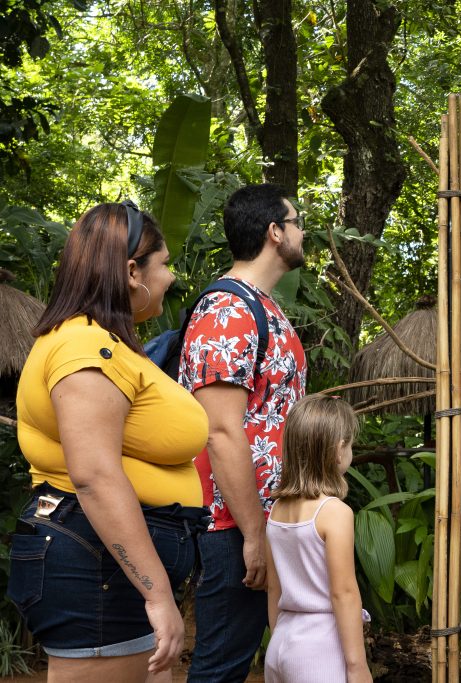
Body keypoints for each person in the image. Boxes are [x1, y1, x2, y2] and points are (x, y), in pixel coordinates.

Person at [9, 201, 208, 681]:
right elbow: (94, 475)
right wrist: (157, 593)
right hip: (94, 561)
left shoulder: (102, 341)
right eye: (164, 264)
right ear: (132, 271)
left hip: (107, 562)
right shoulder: (85, 347)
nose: (171, 276)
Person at [181, 184, 308, 682]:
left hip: (258, 517)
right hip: (233, 524)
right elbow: (219, 431)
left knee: (234, 662)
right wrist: (253, 532)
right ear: (275, 233)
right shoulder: (227, 312)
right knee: (220, 667)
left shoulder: (264, 306)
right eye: (297, 223)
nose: (303, 233)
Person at [264, 394, 372, 683]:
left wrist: (281, 643)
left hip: (282, 641)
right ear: (339, 450)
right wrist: (357, 666)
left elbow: (274, 587)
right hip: (320, 647)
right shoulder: (334, 512)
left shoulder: (277, 509)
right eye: (350, 444)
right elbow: (344, 593)